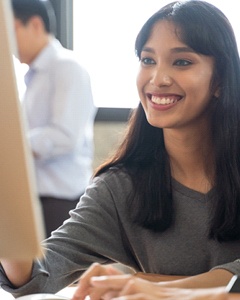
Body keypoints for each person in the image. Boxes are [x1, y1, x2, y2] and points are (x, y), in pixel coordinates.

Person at [1, 0, 240, 299]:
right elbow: (37, 276)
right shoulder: (120, 188)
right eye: (147, 60)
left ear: (220, 79)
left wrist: (157, 287)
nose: (158, 79)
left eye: (181, 62)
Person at [11, 0, 96, 237]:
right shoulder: (33, 75)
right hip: (37, 196)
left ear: (35, 24)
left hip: (61, 199)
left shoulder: (67, 67)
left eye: (10, 29)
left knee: (54, 272)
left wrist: (13, 145)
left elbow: (64, 135)